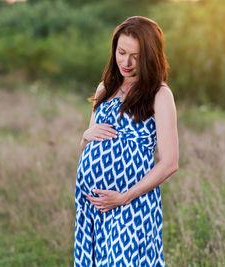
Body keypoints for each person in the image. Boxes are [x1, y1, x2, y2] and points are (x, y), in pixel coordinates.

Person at [74, 16, 179, 267]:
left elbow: (170, 163)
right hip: (93, 207)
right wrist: (85, 136)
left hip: (131, 206)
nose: (127, 62)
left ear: (150, 56)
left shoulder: (160, 94)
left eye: (136, 56)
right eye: (121, 52)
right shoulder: (105, 88)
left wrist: (124, 197)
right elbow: (90, 145)